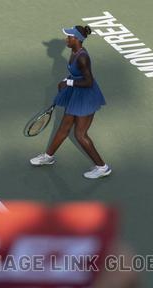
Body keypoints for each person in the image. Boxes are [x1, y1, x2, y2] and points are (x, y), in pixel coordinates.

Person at [30, 26, 111, 179]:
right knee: (64, 127)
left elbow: (88, 81)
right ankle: (48, 157)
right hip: (77, 94)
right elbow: (76, 74)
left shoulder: (82, 57)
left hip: (86, 97)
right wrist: (66, 80)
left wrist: (68, 83)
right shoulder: (74, 52)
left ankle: (102, 167)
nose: (66, 39)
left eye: (69, 37)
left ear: (77, 39)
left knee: (80, 134)